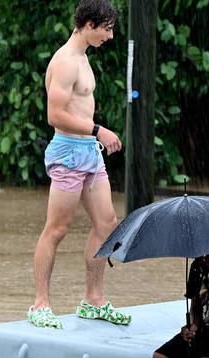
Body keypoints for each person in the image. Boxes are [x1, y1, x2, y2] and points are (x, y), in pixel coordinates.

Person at [27, 0, 130, 329]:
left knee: (107, 222)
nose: (110, 36)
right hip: (69, 152)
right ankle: (40, 304)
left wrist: (94, 136)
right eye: (108, 28)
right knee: (57, 229)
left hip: (89, 151)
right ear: (89, 24)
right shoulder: (66, 61)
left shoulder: (84, 58)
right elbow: (54, 115)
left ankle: (93, 300)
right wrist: (100, 129)